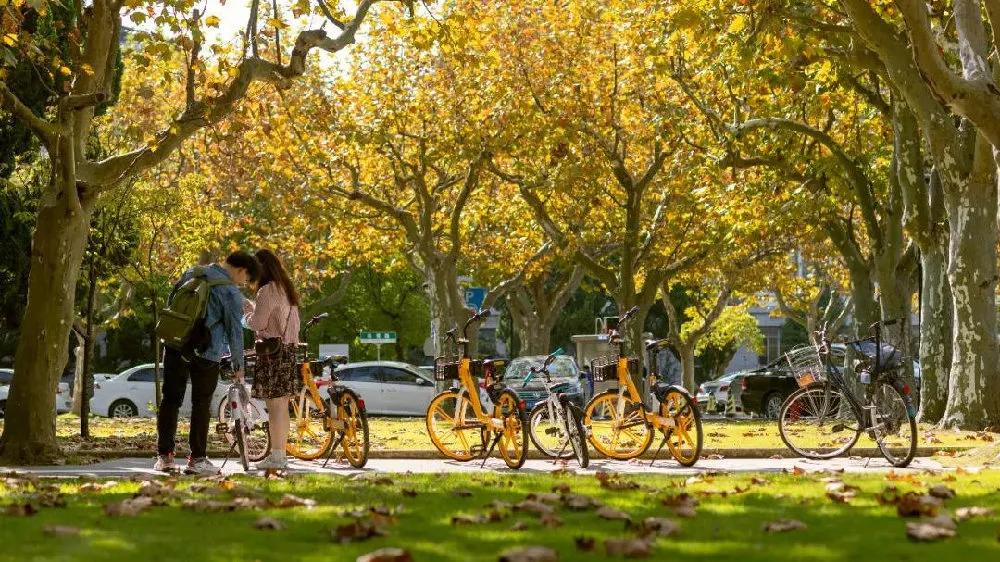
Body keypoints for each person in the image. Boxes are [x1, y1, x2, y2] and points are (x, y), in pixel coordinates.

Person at [155, 251, 260, 474]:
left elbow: (172, 304)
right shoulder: (229, 291)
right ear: (242, 270)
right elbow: (235, 332)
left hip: (176, 346)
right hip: (206, 353)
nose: (244, 283)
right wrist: (238, 367)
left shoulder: (193, 272)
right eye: (246, 279)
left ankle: (165, 456)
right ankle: (197, 459)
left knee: (170, 400)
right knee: (201, 405)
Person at [243, 249, 301, 471]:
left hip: (271, 354)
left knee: (274, 406)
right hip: (286, 351)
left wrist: (247, 314)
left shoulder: (267, 290)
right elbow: (284, 322)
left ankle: (277, 457)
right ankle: (280, 453)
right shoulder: (286, 289)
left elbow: (258, 324)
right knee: (282, 406)